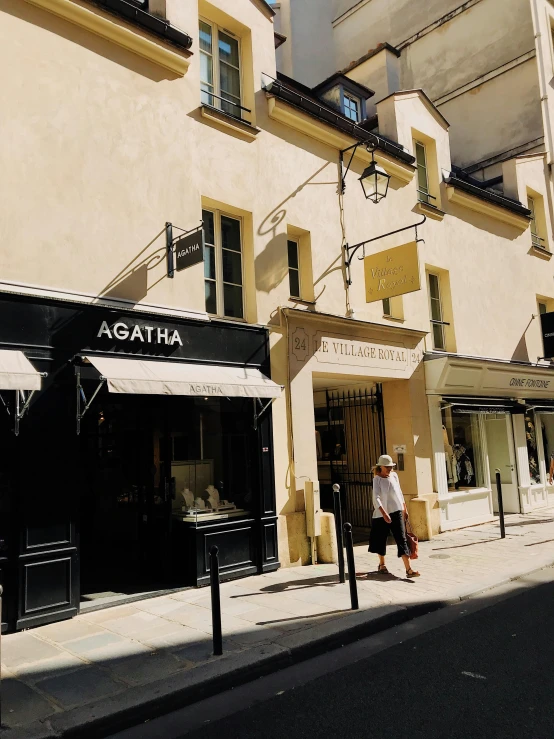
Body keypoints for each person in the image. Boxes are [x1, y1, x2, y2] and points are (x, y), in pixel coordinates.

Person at [368, 454, 420, 577]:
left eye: (391, 466)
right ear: (380, 466)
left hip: (397, 511)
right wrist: (384, 513)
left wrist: (404, 508)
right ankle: (382, 564)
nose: (390, 469)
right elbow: (376, 497)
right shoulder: (377, 479)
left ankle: (409, 569)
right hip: (382, 514)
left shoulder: (394, 476)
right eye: (387, 467)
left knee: (401, 538)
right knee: (381, 539)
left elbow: (399, 493)